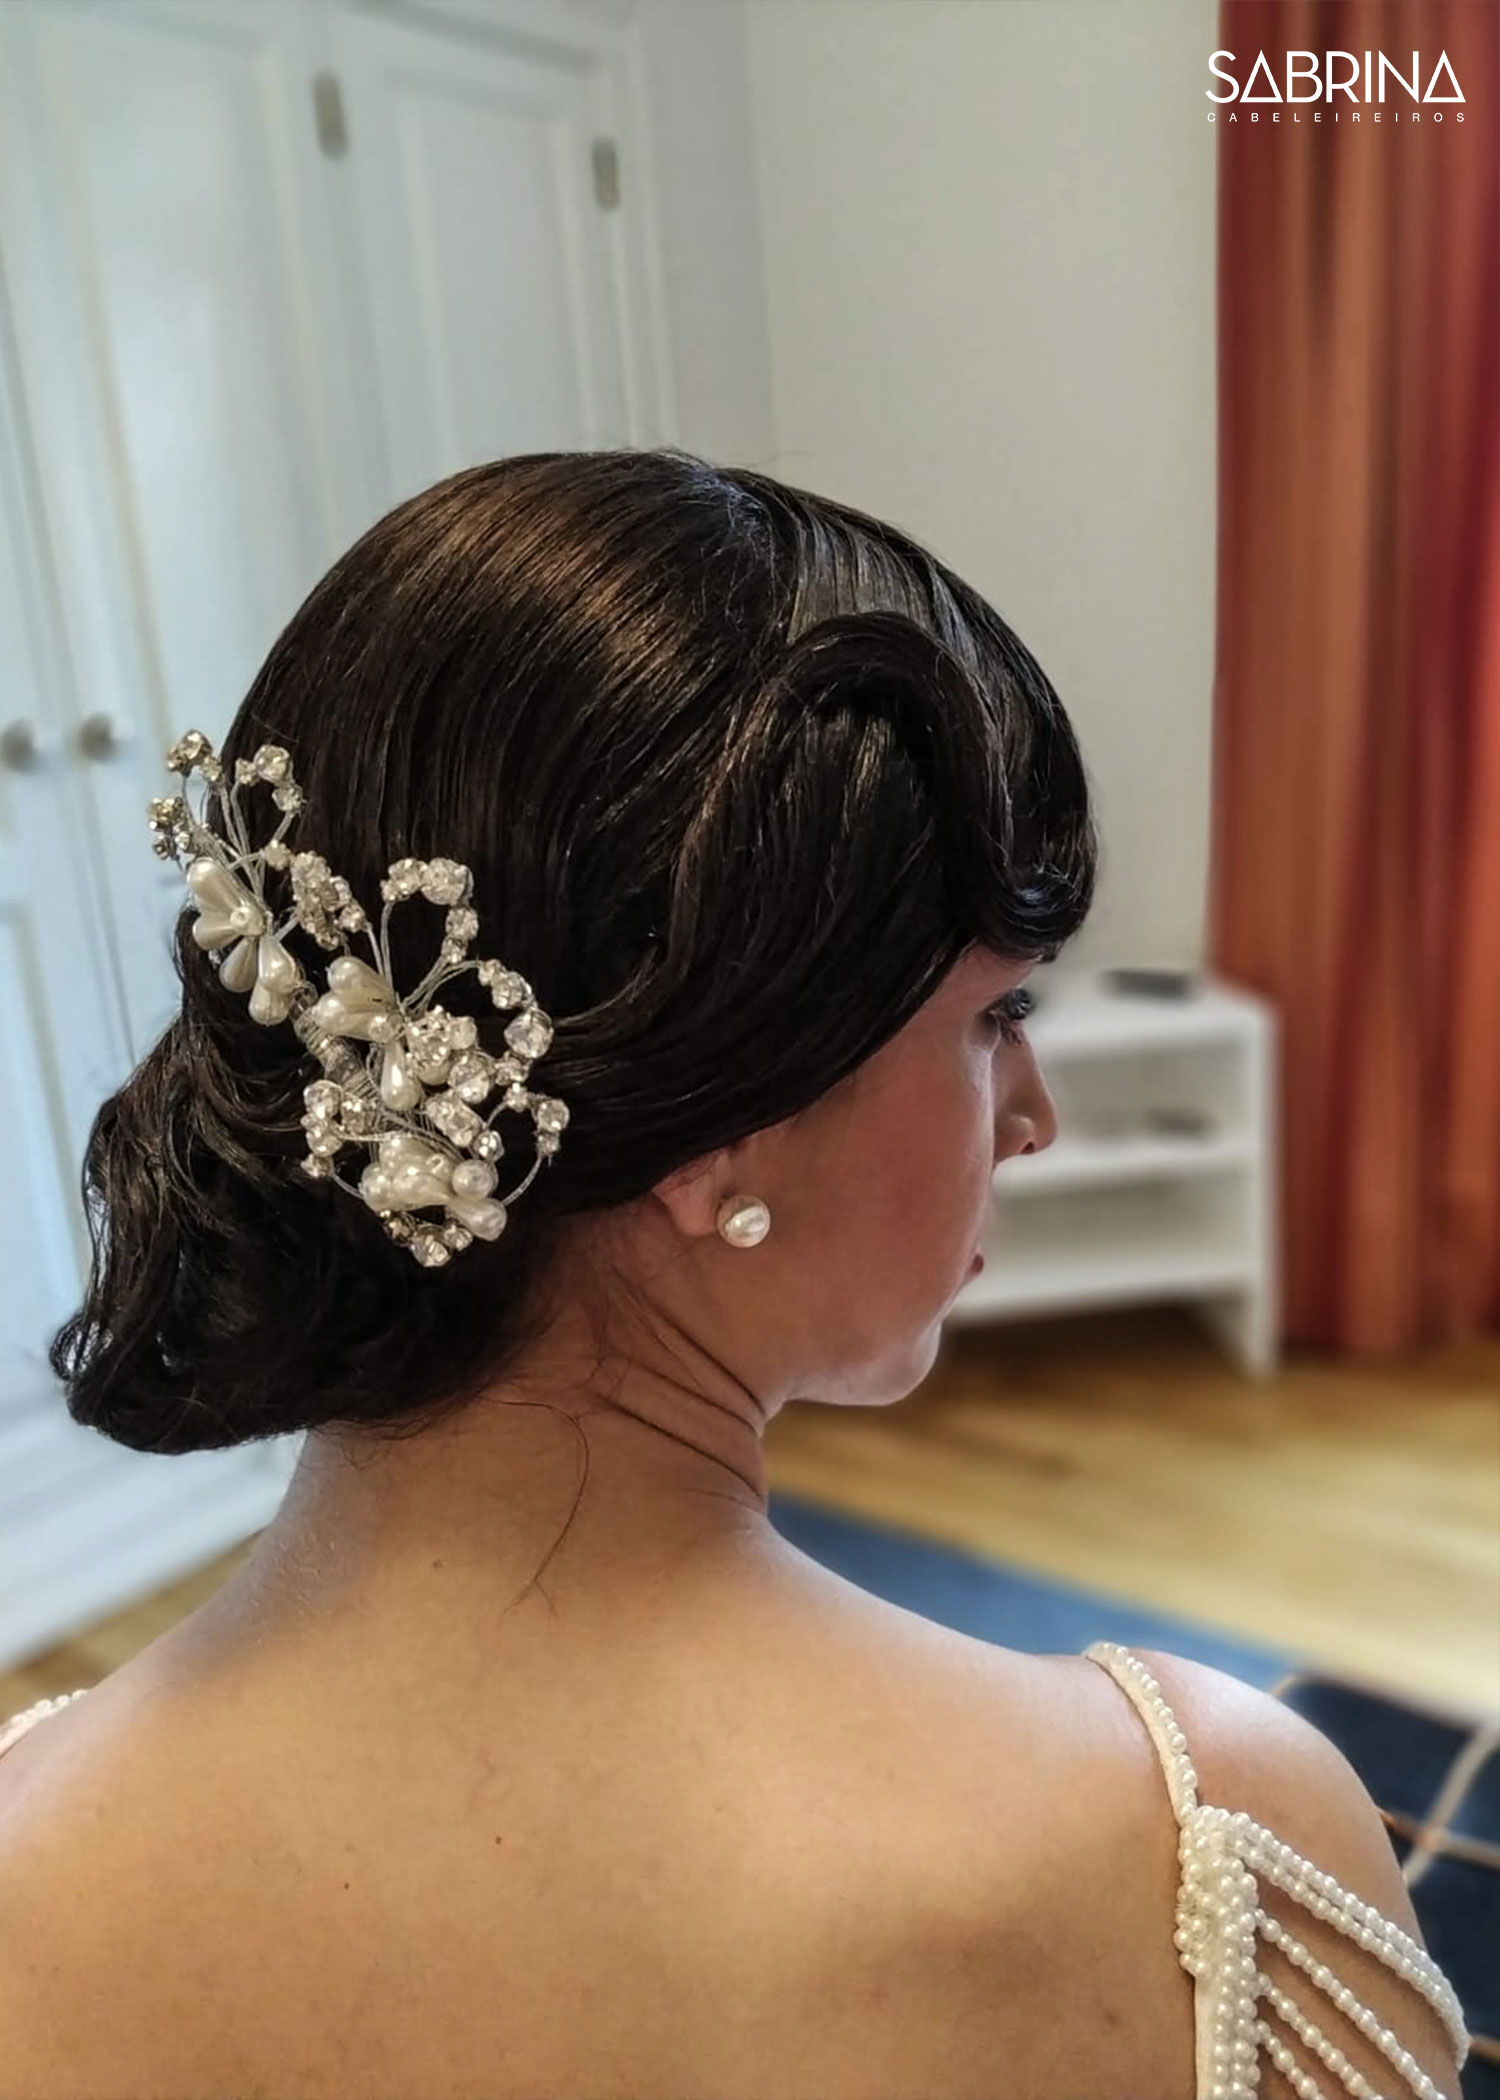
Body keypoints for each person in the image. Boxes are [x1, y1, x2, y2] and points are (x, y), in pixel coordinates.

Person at [0, 450, 1469, 2099]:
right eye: (995, 1018)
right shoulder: (1214, 1864)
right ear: (717, 1131)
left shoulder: (24, 1862)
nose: (1034, 1116)